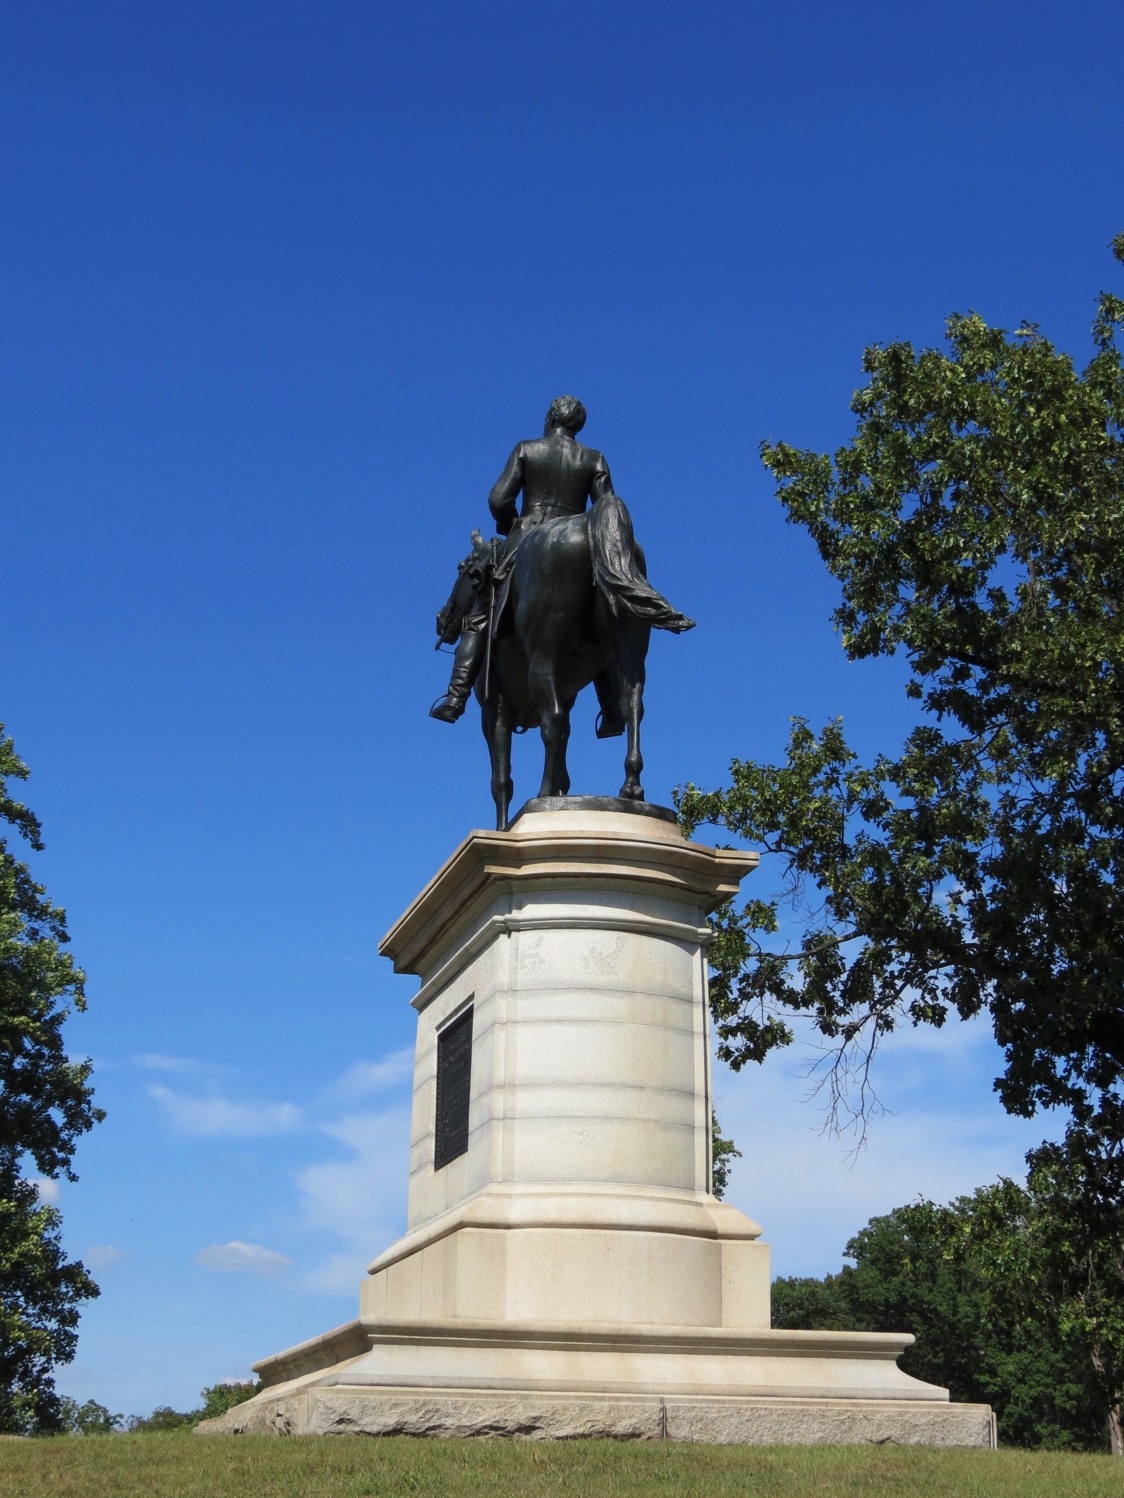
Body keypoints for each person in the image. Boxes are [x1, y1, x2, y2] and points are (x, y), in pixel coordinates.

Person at [429, 396, 625, 727]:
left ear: (550, 418)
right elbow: (605, 511)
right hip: (583, 539)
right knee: (600, 611)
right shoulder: (595, 458)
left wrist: (510, 524)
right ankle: (611, 708)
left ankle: (456, 696)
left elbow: (499, 498)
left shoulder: (527, 448)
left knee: (480, 610)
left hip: (528, 533)